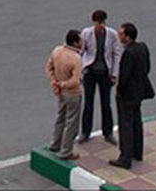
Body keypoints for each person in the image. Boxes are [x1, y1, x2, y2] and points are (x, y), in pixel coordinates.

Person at [110, 22, 153, 170]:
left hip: (127, 95)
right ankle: (137, 152)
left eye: (121, 34)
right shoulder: (142, 47)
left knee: (126, 125)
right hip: (139, 92)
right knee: (136, 122)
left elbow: (124, 77)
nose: (119, 36)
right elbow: (147, 67)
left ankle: (125, 157)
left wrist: (119, 90)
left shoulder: (128, 53)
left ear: (128, 37)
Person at [78, 10, 121, 145]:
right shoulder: (86, 33)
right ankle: (85, 131)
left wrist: (114, 74)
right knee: (88, 104)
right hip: (90, 72)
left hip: (105, 73)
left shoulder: (112, 34)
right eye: (98, 23)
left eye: (102, 22)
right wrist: (80, 70)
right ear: (94, 22)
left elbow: (116, 54)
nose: (100, 25)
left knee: (106, 103)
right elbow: (81, 51)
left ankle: (108, 132)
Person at [45, 29, 84, 160]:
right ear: (75, 42)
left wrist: (54, 83)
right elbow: (76, 80)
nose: (82, 42)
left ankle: (55, 143)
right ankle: (66, 151)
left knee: (60, 117)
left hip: (60, 93)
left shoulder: (57, 51)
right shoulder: (75, 58)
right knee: (71, 123)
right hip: (72, 93)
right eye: (80, 40)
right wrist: (63, 84)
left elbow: (49, 67)